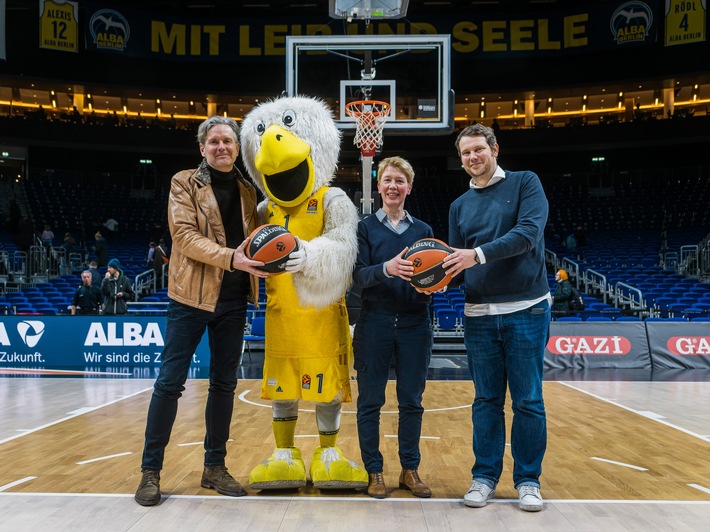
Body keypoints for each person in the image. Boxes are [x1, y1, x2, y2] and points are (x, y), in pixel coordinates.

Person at [134, 115, 267, 507]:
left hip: (234, 299)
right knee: (170, 383)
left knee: (224, 385)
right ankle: (150, 472)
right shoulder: (183, 182)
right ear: (202, 149)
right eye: (214, 142)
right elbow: (185, 237)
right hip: (190, 298)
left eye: (228, 141)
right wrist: (232, 259)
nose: (222, 147)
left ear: (238, 148)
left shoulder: (247, 189)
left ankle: (214, 467)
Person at [444, 123, 551, 512]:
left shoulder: (525, 183)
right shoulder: (459, 206)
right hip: (479, 314)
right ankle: (484, 477)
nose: (472, 158)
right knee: (486, 400)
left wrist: (476, 255)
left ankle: (528, 480)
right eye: (465, 153)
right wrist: (434, 282)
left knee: (528, 401)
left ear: (494, 149)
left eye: (478, 150)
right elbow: (458, 264)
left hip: (526, 308)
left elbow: (527, 234)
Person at [352, 156, 434, 500]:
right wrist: (386, 268)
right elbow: (356, 277)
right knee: (370, 400)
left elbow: (436, 274)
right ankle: (374, 471)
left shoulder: (424, 231)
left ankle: (409, 469)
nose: (393, 186)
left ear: (408, 187)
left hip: (416, 322)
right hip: (374, 321)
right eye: (387, 180)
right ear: (379, 186)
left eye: (400, 180)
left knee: (411, 401)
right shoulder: (365, 228)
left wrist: (434, 285)